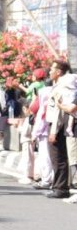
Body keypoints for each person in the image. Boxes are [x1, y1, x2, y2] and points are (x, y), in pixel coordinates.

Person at [44, 61, 74, 199]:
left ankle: (60, 188)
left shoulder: (62, 86)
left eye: (52, 69)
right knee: (56, 157)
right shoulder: (57, 85)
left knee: (58, 158)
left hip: (57, 125)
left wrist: (54, 131)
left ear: (59, 72)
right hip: (55, 125)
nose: (49, 71)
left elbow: (58, 111)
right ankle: (58, 186)